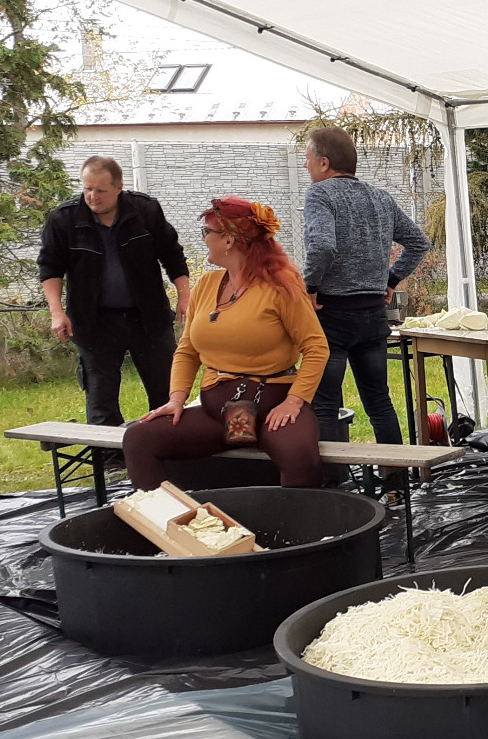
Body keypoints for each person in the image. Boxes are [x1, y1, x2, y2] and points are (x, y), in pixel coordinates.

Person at [124, 198, 329, 489]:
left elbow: (316, 347)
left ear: (229, 240)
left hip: (273, 408)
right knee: (139, 438)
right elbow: (187, 351)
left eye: (207, 232)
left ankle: (295, 517)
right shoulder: (207, 284)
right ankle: (172, 516)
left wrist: (294, 402)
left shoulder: (281, 286)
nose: (204, 239)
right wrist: (176, 399)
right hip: (217, 411)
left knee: (300, 457)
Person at [38, 156, 190, 428]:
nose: (92, 196)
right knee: (101, 399)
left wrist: (185, 297)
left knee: (167, 391)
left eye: (101, 190)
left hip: (148, 316)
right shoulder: (64, 219)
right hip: (94, 321)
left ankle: (166, 448)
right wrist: (57, 313)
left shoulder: (145, 211)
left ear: (119, 188)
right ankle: (108, 453)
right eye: (87, 188)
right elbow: (50, 268)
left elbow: (172, 255)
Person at [301, 124, 431, 444]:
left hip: (331, 314)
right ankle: (396, 476)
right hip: (373, 316)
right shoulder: (381, 198)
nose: (304, 165)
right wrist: (390, 280)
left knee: (324, 407)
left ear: (324, 163)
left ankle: (333, 476)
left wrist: (309, 288)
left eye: (308, 158)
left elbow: (322, 246)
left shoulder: (320, 194)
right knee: (379, 403)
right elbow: (419, 242)